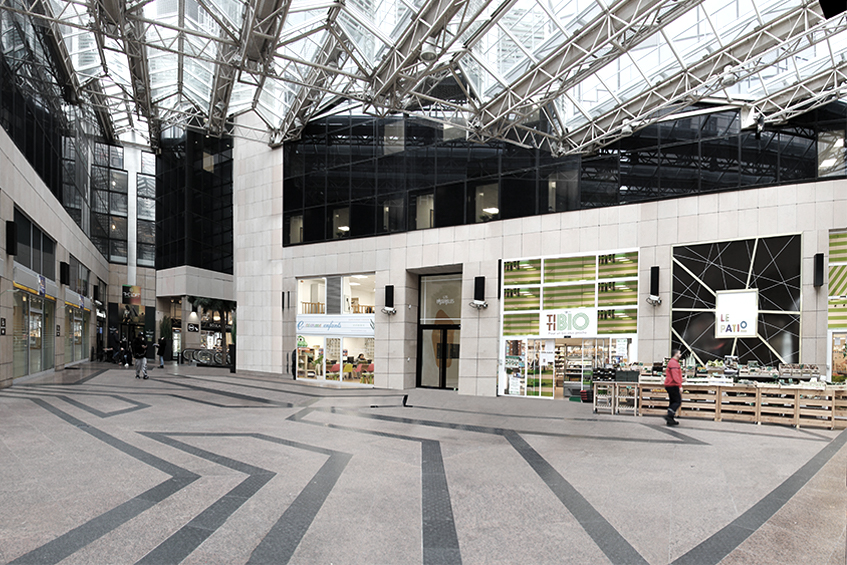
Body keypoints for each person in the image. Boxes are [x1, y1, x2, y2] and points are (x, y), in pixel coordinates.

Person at [664, 349, 683, 426]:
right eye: (679, 353)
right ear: (675, 354)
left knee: (672, 401)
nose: (680, 355)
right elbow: (675, 376)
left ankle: (670, 420)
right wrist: (680, 386)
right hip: (672, 385)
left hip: (670, 384)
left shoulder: (672, 362)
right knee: (677, 401)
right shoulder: (674, 363)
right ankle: (669, 416)